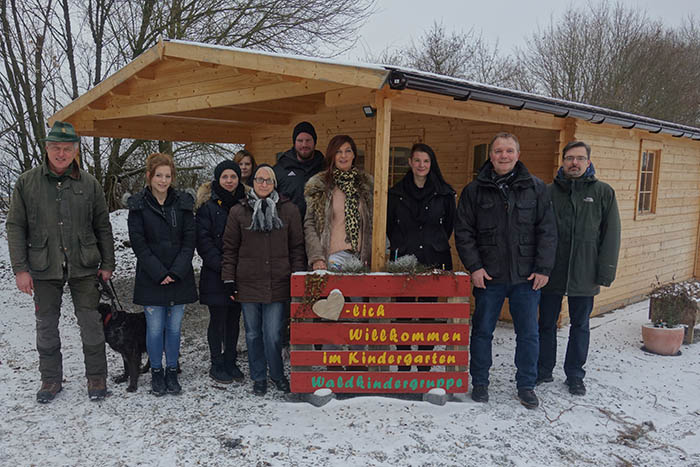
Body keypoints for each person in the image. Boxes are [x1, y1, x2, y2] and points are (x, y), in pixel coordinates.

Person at [6, 121, 115, 403]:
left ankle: (96, 376)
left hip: (84, 264)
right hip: (43, 266)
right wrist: (20, 269)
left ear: (76, 150)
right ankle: (50, 379)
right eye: (56, 147)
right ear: (47, 148)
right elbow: (15, 226)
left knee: (91, 322)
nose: (62, 153)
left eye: (67, 148)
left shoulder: (89, 184)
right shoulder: (27, 183)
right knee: (46, 324)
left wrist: (107, 263)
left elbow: (103, 225)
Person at [454, 132, 557, 409]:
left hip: (526, 277)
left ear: (518, 155)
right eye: (498, 151)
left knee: (528, 334)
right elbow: (464, 232)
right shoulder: (474, 191)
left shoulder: (536, 188)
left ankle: (526, 385)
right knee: (482, 332)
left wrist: (543, 268)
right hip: (489, 276)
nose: (504, 156)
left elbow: (547, 231)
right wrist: (474, 267)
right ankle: (480, 383)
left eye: (509, 151)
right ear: (490, 156)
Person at [537, 140, 621, 396]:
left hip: (585, 271)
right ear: (562, 161)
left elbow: (611, 234)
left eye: (580, 158)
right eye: (570, 158)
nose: (574, 163)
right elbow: (537, 231)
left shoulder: (603, 193)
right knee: (546, 324)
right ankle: (543, 368)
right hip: (551, 270)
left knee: (580, 325)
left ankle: (575, 374)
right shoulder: (548, 192)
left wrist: (605, 271)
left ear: (588, 162)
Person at [221, 164, 305, 396]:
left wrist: (297, 277)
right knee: (252, 333)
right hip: (247, 282)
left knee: (273, 333)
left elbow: (297, 247)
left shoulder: (288, 210)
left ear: (274, 183)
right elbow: (230, 248)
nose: (264, 184)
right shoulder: (239, 211)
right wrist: (228, 277)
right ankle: (259, 377)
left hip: (278, 282)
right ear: (253, 182)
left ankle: (277, 374)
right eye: (259, 179)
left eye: (268, 180)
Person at [127, 153, 197, 396]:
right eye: (159, 175)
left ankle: (172, 370)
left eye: (167, 176)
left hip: (179, 276)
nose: (163, 180)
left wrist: (176, 271)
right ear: (149, 176)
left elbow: (190, 240)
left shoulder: (184, 203)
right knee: (155, 328)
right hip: (151, 277)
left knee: (174, 329)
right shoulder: (138, 206)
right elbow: (139, 243)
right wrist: (158, 272)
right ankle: (156, 371)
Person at [387, 143, 456, 371]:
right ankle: (405, 362)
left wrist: (432, 242)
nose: (421, 165)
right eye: (417, 160)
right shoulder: (396, 193)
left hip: (433, 258)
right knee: (403, 313)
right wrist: (402, 244)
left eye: (426, 161)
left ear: (431, 163)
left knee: (429, 313)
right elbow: (389, 225)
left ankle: (425, 363)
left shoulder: (444, 193)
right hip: (404, 259)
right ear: (410, 163)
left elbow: (448, 225)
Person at [196, 160, 247, 384]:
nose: (229, 181)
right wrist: (224, 268)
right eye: (225, 177)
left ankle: (231, 360)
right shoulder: (207, 207)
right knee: (218, 319)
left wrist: (239, 269)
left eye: (233, 177)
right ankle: (216, 363)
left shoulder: (246, 203)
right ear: (218, 179)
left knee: (234, 319)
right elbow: (204, 242)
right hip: (215, 273)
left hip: (240, 273)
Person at [304, 134, 374, 272]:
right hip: (333, 257)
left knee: (359, 294)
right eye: (338, 152)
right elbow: (310, 224)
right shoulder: (320, 185)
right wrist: (317, 257)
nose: (344, 156)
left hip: (360, 257)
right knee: (336, 294)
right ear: (332, 156)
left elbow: (375, 222)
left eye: (348, 151)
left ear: (354, 155)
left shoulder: (365, 185)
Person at [273, 121, 325, 220]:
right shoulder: (280, 169)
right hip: (288, 228)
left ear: (314, 142)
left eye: (308, 140)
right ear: (294, 142)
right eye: (300, 140)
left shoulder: (324, 167)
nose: (304, 144)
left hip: (318, 229)